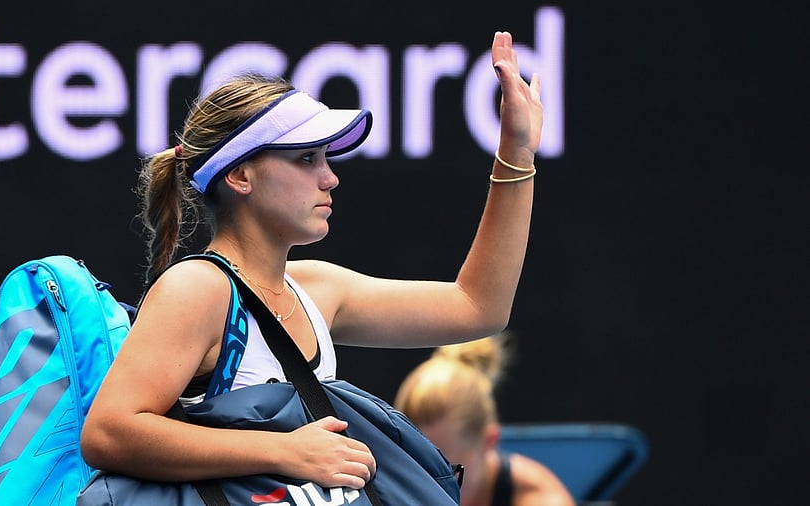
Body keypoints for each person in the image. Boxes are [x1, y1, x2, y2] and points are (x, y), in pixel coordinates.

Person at [80, 31, 542, 492]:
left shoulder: (318, 289)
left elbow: (479, 307)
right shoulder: (197, 289)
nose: (330, 178)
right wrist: (285, 451)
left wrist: (516, 152)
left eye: (325, 158)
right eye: (306, 159)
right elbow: (109, 432)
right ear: (241, 175)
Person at [394, 334, 575, 506]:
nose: (425, 486)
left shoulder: (541, 500)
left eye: (445, 472)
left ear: (489, 441)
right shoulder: (389, 485)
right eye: (413, 466)